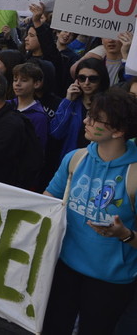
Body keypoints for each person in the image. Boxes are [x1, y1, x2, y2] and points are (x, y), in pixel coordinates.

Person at [43, 88, 137, 335]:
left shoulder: (134, 175)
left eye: (95, 118)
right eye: (88, 114)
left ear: (118, 130)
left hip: (110, 281)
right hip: (64, 268)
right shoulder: (75, 159)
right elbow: (47, 201)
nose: (86, 121)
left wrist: (124, 234)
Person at [51, 58, 111, 160]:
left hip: (98, 160)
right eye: (82, 78)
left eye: (93, 79)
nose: (86, 83)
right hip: (72, 161)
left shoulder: (108, 105)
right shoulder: (70, 103)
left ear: (101, 80)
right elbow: (56, 132)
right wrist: (68, 101)